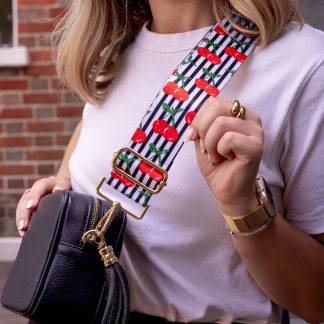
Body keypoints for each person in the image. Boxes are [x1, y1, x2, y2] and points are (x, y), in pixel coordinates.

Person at [16, 0, 324, 323]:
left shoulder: (305, 63)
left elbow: (317, 300)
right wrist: (64, 194)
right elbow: (88, 135)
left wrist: (243, 208)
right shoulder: (112, 50)